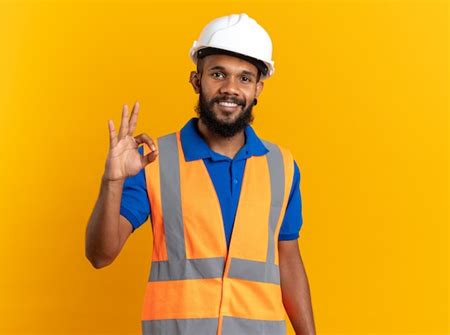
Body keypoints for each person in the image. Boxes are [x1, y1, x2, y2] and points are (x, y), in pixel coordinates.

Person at [85, 13, 316, 335]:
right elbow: (100, 254)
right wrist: (112, 182)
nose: (231, 89)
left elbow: (288, 259)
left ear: (258, 88)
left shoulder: (282, 165)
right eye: (218, 74)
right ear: (196, 80)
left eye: (244, 78)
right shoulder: (153, 161)